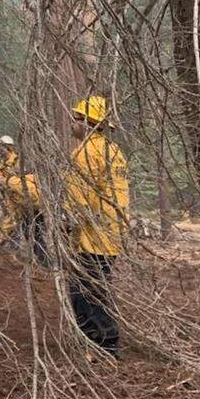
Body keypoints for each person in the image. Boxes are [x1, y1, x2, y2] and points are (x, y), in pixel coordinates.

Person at [64, 95, 129, 357]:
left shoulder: (85, 153)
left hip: (91, 235)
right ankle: (93, 340)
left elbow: (81, 197)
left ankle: (106, 343)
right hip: (111, 233)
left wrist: (68, 223)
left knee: (90, 290)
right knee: (87, 288)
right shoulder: (113, 151)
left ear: (88, 122)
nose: (72, 122)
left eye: (76, 118)